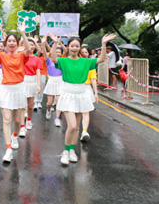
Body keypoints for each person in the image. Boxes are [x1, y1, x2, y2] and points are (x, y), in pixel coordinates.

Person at [49, 32, 116, 166]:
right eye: (72, 46)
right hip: (68, 94)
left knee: (77, 127)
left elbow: (102, 59)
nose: (74, 48)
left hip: (81, 94)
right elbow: (53, 58)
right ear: (68, 47)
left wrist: (103, 44)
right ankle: (66, 151)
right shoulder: (63, 60)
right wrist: (55, 43)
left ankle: (72, 150)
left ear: (80, 48)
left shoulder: (86, 61)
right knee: (72, 126)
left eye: (77, 46)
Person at [0, 23, 31, 163]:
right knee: (6, 119)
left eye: (14, 41)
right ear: (5, 44)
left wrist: (23, 33)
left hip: (18, 89)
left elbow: (29, 49)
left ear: (17, 44)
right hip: (5, 89)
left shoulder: (21, 55)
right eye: (9, 41)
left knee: (17, 120)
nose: (11, 43)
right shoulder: (1, 56)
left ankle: (15, 136)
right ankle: (8, 149)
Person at [21, 38, 42, 134]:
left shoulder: (37, 59)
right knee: (22, 104)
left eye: (32, 44)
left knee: (30, 105)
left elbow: (38, 72)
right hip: (23, 80)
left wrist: (38, 85)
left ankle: (28, 120)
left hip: (33, 81)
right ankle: (22, 126)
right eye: (28, 44)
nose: (31, 46)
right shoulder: (22, 56)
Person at [41, 41, 64, 127]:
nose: (58, 53)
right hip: (51, 81)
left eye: (59, 52)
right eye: (56, 52)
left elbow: (67, 51)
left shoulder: (63, 61)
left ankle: (57, 118)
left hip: (60, 82)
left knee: (59, 101)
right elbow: (44, 53)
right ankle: (48, 110)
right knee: (49, 103)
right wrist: (43, 44)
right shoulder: (49, 60)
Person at [79, 47, 99, 142]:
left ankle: (84, 131)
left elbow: (93, 79)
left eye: (85, 52)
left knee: (85, 112)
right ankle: (74, 130)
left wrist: (96, 92)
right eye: (82, 52)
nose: (84, 54)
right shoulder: (75, 63)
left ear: (89, 54)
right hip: (76, 88)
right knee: (76, 112)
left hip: (86, 89)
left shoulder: (90, 65)